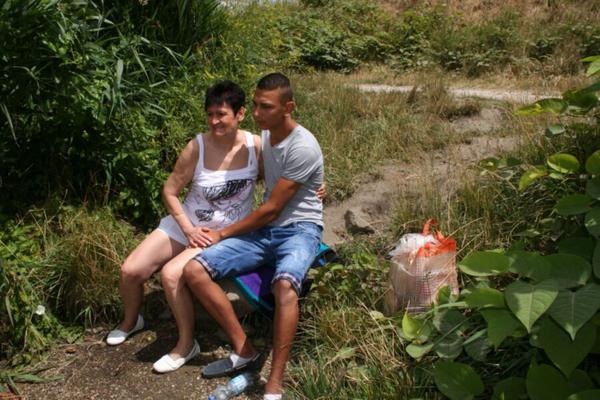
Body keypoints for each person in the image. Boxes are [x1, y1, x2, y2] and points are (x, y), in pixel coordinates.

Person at [182, 72, 324, 400]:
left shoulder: (303, 146)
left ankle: (275, 382)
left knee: (285, 285)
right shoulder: (266, 135)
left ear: (288, 107)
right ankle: (245, 350)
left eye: (266, 107)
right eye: (256, 105)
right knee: (194, 270)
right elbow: (261, 175)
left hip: (300, 228)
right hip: (266, 231)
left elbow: (273, 209)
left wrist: (223, 233)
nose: (258, 113)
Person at [106, 80, 261, 374]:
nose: (214, 121)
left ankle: (186, 344)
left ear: (240, 114)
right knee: (130, 271)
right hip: (187, 223)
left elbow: (283, 180)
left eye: (222, 114)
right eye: (210, 114)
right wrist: (187, 229)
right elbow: (170, 190)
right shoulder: (197, 147)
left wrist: (315, 187)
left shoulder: (255, 147)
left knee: (171, 274)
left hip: (222, 234)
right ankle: (131, 320)